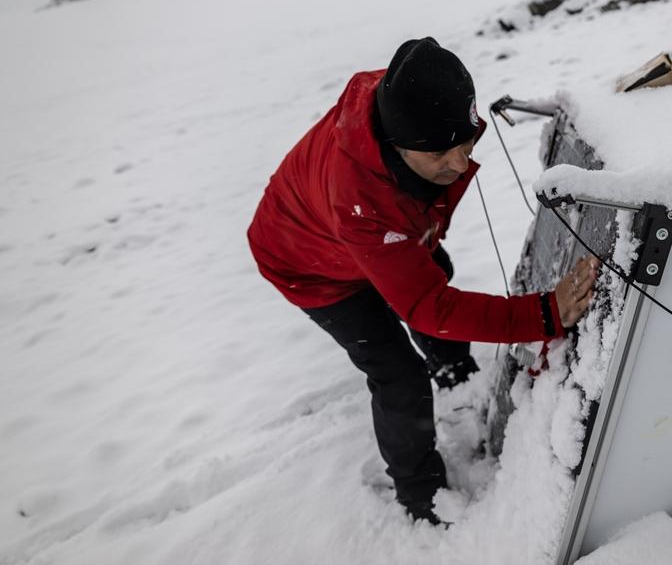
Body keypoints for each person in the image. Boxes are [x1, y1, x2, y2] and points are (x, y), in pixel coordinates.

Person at [248, 37, 597, 525]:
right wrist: (545, 313)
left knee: (435, 270)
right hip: (310, 265)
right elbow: (430, 306)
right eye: (440, 155)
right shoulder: (362, 198)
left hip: (372, 229)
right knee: (398, 376)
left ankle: (454, 374)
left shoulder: (407, 103)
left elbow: (423, 267)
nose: (459, 165)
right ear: (397, 146)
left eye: (466, 144)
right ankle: (421, 497)